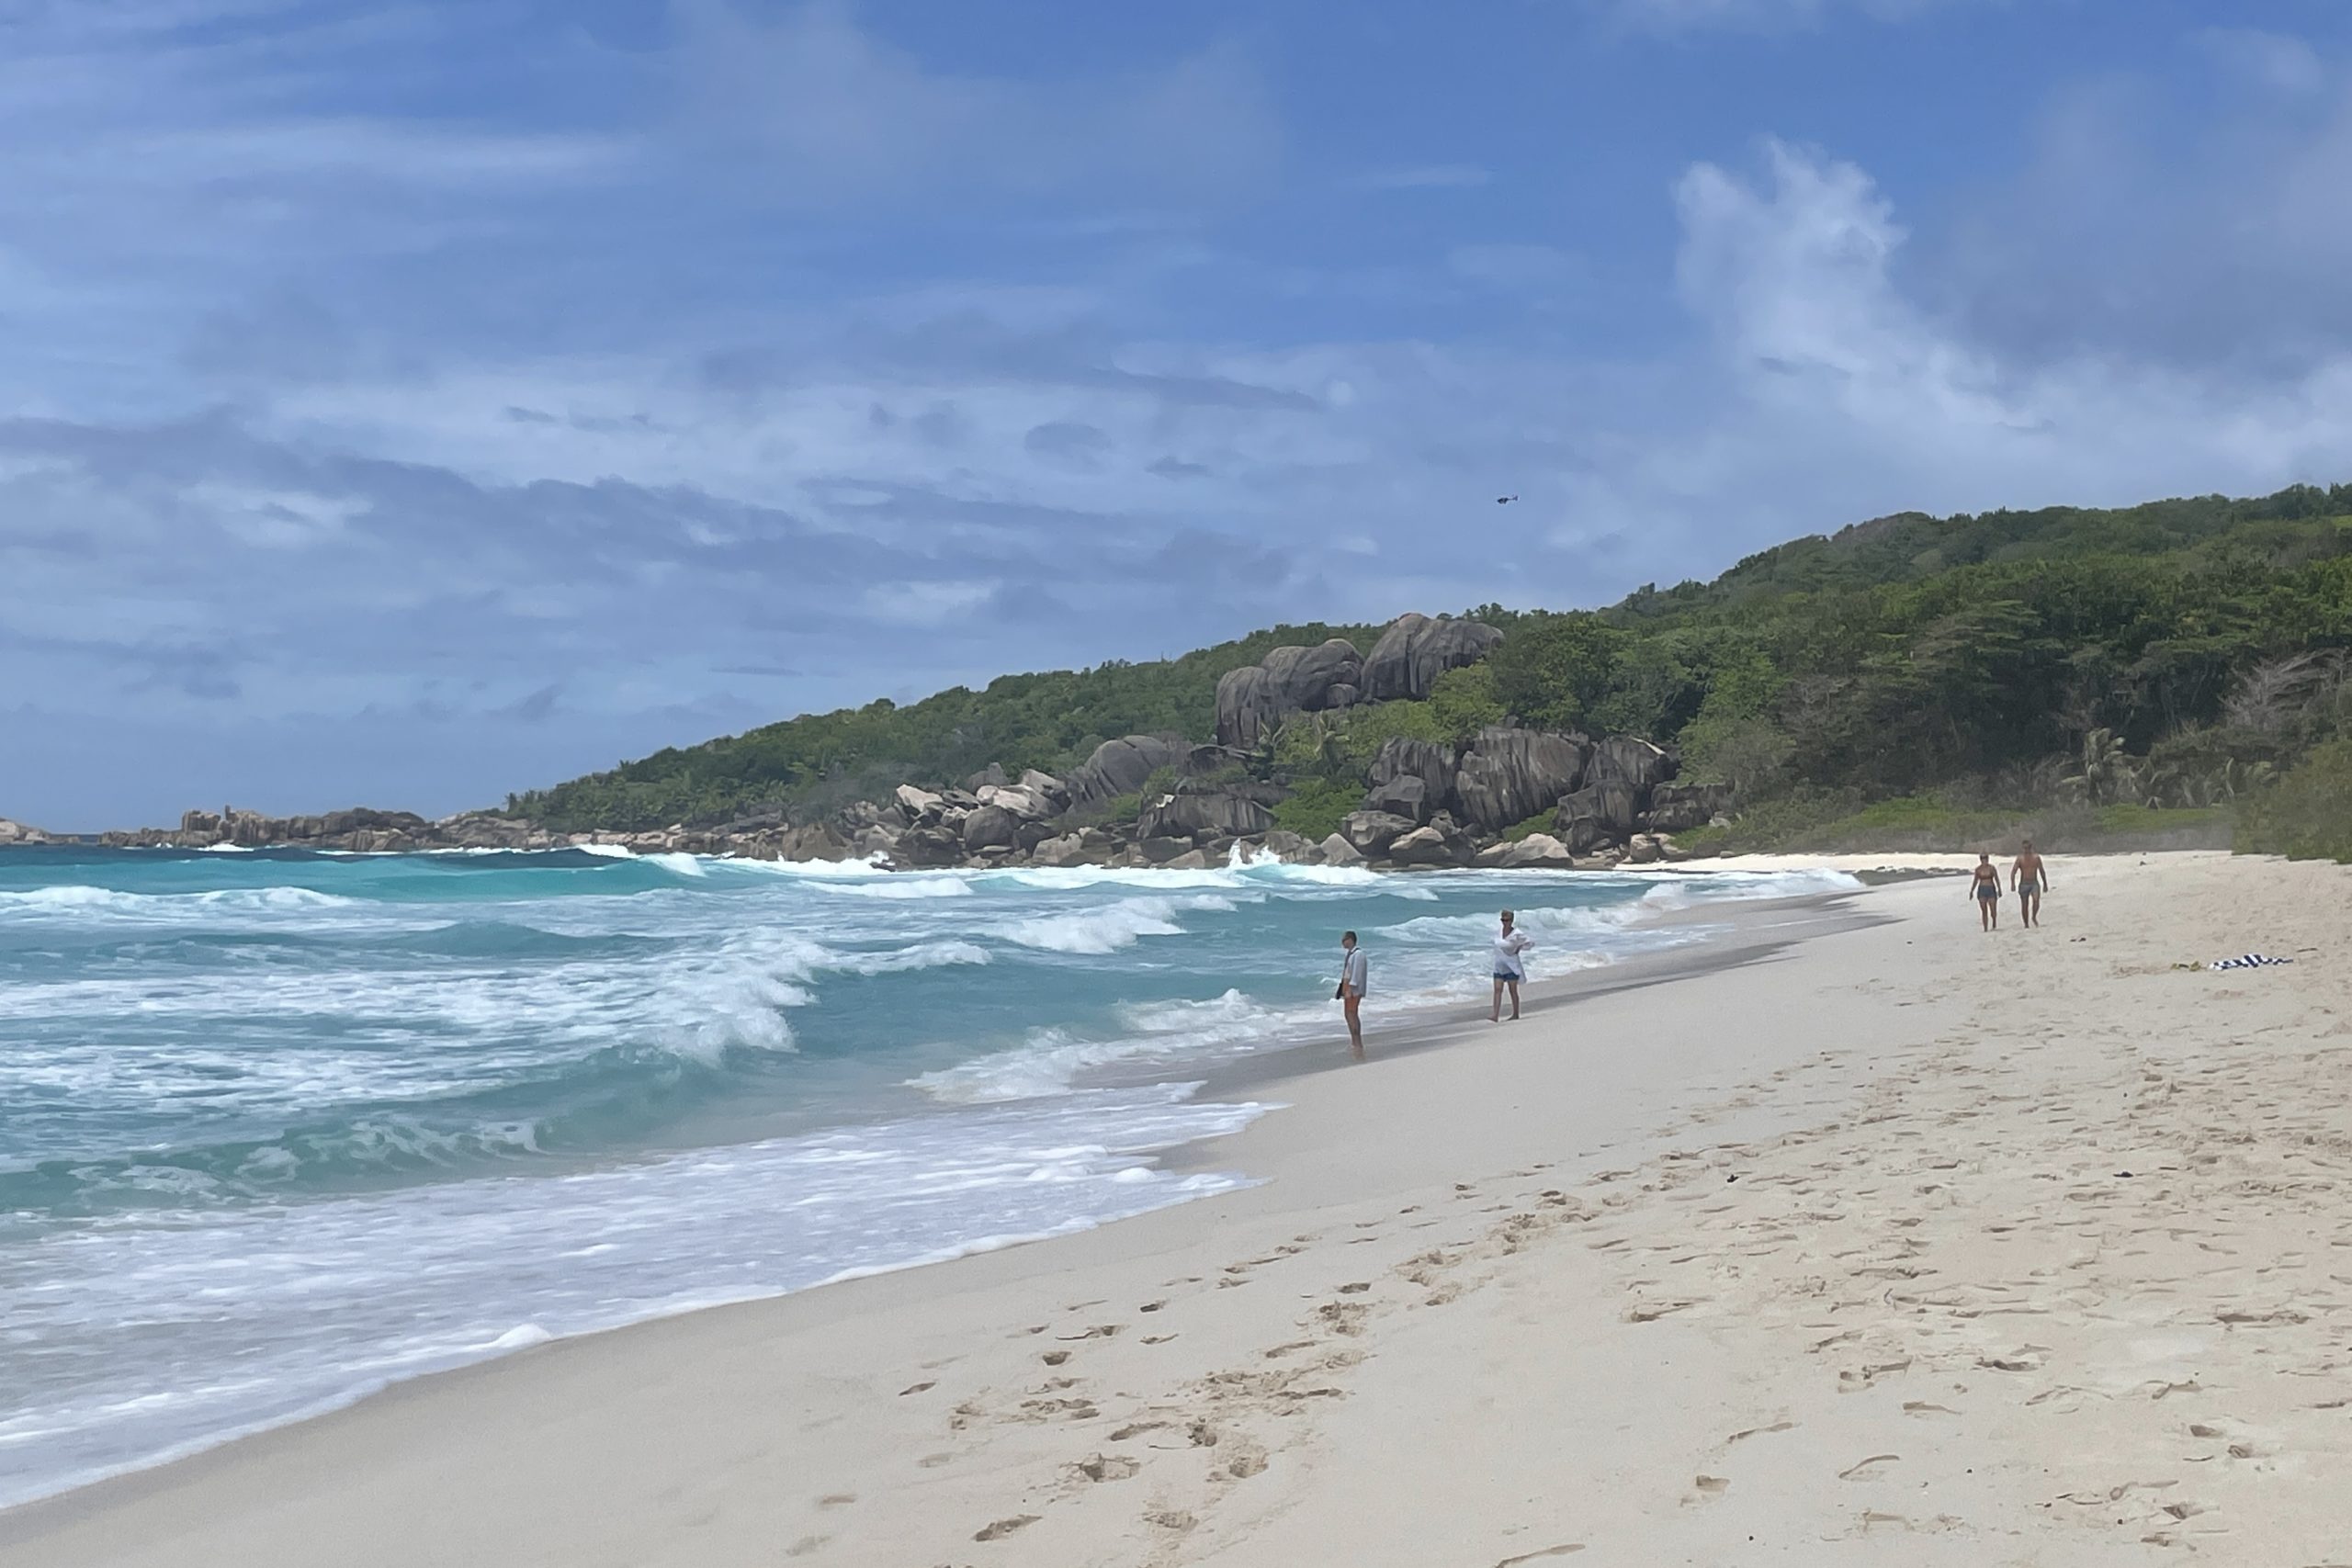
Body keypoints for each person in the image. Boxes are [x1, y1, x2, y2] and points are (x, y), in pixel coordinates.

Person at [1490, 909, 1533, 1021]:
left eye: (1507, 920)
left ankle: (1515, 1014)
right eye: (1503, 920)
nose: (1505, 922)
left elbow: (1529, 942)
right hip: (1499, 965)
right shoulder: (1498, 932)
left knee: (1512, 990)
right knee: (1497, 989)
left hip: (1511, 966)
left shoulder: (1517, 933)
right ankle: (1495, 1015)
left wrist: (1519, 948)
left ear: (1511, 920)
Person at [1337, 931, 1369, 1060]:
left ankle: (1357, 1042)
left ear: (1350, 940)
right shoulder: (1350, 955)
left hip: (1353, 990)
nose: (1342, 943)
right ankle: (1354, 1041)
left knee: (1351, 1014)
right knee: (1349, 1014)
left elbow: (1357, 973)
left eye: (1344, 940)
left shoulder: (1358, 955)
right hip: (1348, 988)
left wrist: (1351, 987)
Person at [2012, 840, 2050, 928]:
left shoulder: (2036, 858)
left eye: (2028, 848)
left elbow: (2042, 871)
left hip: (2034, 883)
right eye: (2025, 848)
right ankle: (2026, 924)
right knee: (2024, 905)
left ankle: (2034, 916)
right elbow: (2013, 871)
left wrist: (2045, 883)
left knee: (2036, 901)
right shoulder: (2020, 859)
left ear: (2031, 848)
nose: (2026, 850)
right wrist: (2012, 883)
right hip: (2024, 883)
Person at [1970, 852, 2002, 931]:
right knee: (1984, 910)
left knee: (1993, 909)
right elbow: (1975, 881)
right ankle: (1985, 928)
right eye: (1983, 858)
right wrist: (1972, 891)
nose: (1984, 860)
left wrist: (1999, 889)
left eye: (1986, 858)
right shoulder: (1978, 869)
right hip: (1982, 889)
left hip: (1991, 889)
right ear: (1980, 859)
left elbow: (1997, 879)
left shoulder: (1992, 868)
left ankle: (1994, 922)